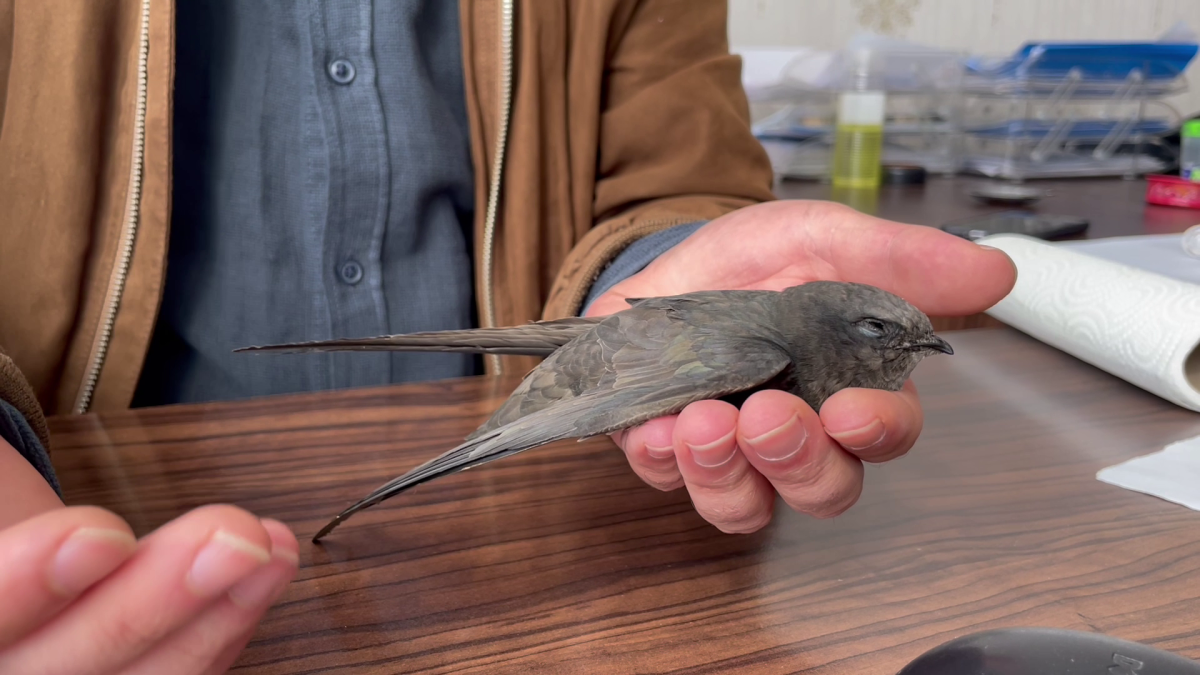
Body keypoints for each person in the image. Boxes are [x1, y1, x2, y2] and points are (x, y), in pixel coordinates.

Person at [0, 1, 1017, 672]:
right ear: (841, 326)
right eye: (889, 335)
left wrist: (661, 256)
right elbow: (665, 351)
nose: (910, 348)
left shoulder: (797, 334)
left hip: (524, 541)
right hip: (104, 464)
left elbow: (677, 174)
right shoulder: (772, 347)